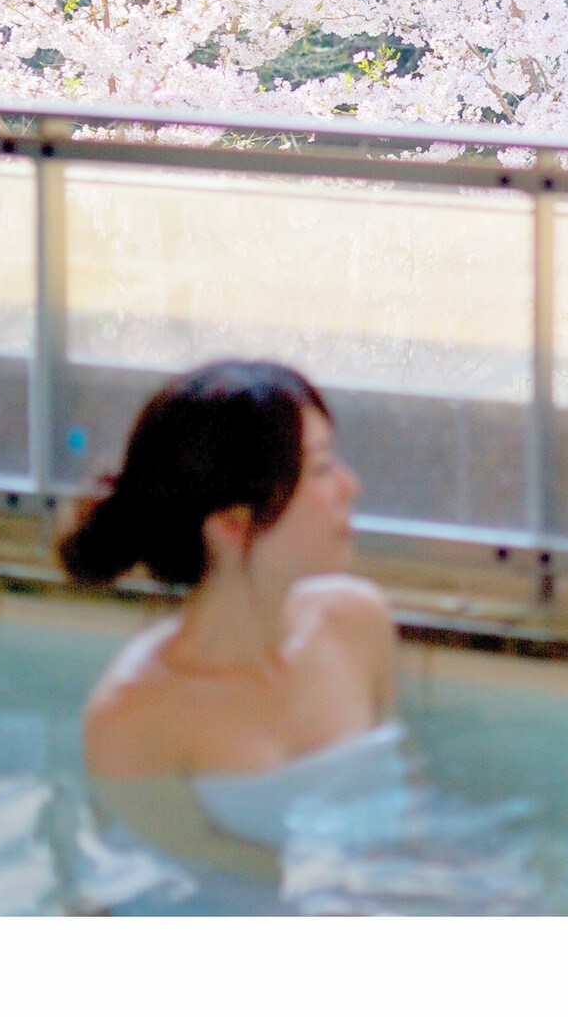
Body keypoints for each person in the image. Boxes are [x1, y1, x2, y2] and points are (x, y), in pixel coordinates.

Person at [57, 360, 401, 878]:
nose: (351, 486)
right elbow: (136, 890)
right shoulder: (134, 716)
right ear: (233, 525)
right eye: (321, 469)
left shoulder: (356, 625)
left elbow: (402, 818)